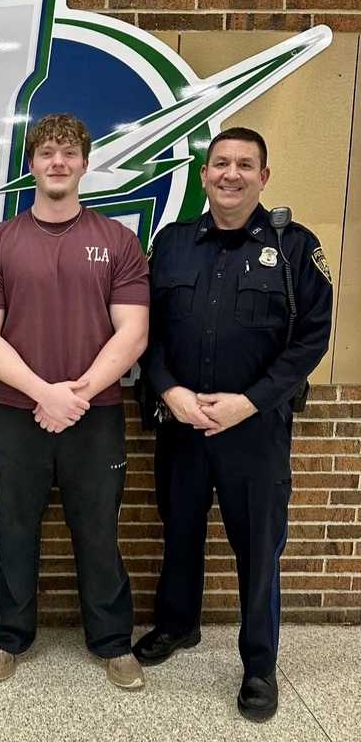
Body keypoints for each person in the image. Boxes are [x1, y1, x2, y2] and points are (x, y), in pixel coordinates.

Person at [133, 127, 333, 721]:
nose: (231, 174)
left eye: (245, 164)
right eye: (220, 163)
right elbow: (147, 333)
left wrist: (251, 402)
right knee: (181, 531)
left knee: (258, 550)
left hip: (256, 430)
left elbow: (311, 339)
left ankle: (259, 665)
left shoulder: (295, 247)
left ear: (263, 177)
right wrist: (169, 390)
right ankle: (177, 625)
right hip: (183, 424)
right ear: (203, 175)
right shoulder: (169, 244)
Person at [0, 113, 150, 689]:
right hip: (17, 415)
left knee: (98, 529)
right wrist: (45, 393)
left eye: (69, 153)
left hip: (95, 418)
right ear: (30, 162)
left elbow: (134, 332)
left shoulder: (117, 241)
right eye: (46, 152)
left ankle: (113, 642)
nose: (58, 162)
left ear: (85, 163)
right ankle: (9, 638)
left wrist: (78, 394)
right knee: (14, 528)